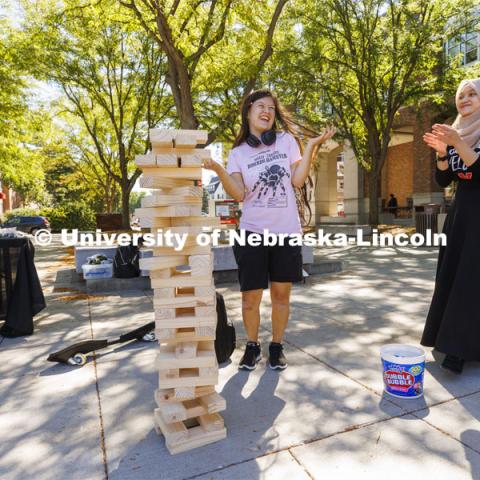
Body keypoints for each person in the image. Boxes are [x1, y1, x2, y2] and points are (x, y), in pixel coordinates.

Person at [203, 89, 335, 371]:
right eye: (261, 106)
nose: (267, 112)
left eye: (272, 108)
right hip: (252, 233)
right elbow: (238, 193)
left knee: (280, 296)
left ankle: (276, 346)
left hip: (286, 233)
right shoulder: (238, 153)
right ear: (248, 111)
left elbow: (298, 181)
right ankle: (252, 346)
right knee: (250, 299)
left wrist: (311, 147)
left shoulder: (286, 142)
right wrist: (217, 168)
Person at [420, 78, 480, 374]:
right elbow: (445, 181)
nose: (465, 99)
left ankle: (459, 350)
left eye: (473, 94)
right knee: (452, 278)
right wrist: (443, 153)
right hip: (460, 217)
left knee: (470, 282)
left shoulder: (464, 135)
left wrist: (456, 142)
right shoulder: (458, 131)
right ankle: (448, 340)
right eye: (461, 95)